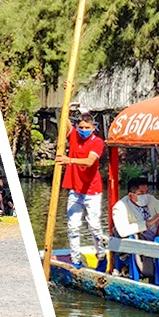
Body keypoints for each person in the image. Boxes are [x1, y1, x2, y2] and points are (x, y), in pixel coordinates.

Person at [54, 113, 107, 266]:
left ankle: (101, 254)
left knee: (94, 225)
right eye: (81, 127)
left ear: (93, 128)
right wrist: (67, 93)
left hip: (92, 190)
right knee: (73, 226)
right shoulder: (74, 136)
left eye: (87, 128)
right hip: (76, 190)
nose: (83, 130)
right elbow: (64, 119)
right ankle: (75, 258)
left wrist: (68, 160)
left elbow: (90, 162)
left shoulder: (97, 142)